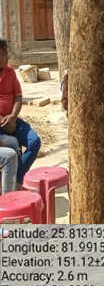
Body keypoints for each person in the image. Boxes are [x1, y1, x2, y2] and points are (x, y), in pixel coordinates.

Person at [0, 40, 41, 189]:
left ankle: (18, 179)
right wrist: (3, 121)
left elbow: (18, 96)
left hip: (13, 120)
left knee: (34, 141)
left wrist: (13, 117)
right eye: (3, 54)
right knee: (11, 146)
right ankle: (6, 187)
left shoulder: (10, 71)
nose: (7, 57)